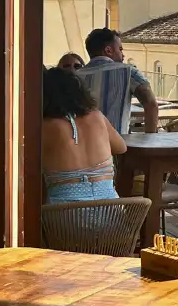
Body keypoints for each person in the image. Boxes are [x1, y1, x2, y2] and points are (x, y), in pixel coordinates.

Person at [41, 66, 126, 204]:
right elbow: (121, 147)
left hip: (63, 217)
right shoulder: (97, 117)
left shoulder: (45, 126)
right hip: (111, 215)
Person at [81, 27, 159, 133]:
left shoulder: (74, 77)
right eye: (120, 49)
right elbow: (151, 103)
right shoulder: (128, 72)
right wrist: (150, 139)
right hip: (117, 144)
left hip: (82, 145)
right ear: (108, 50)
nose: (123, 55)